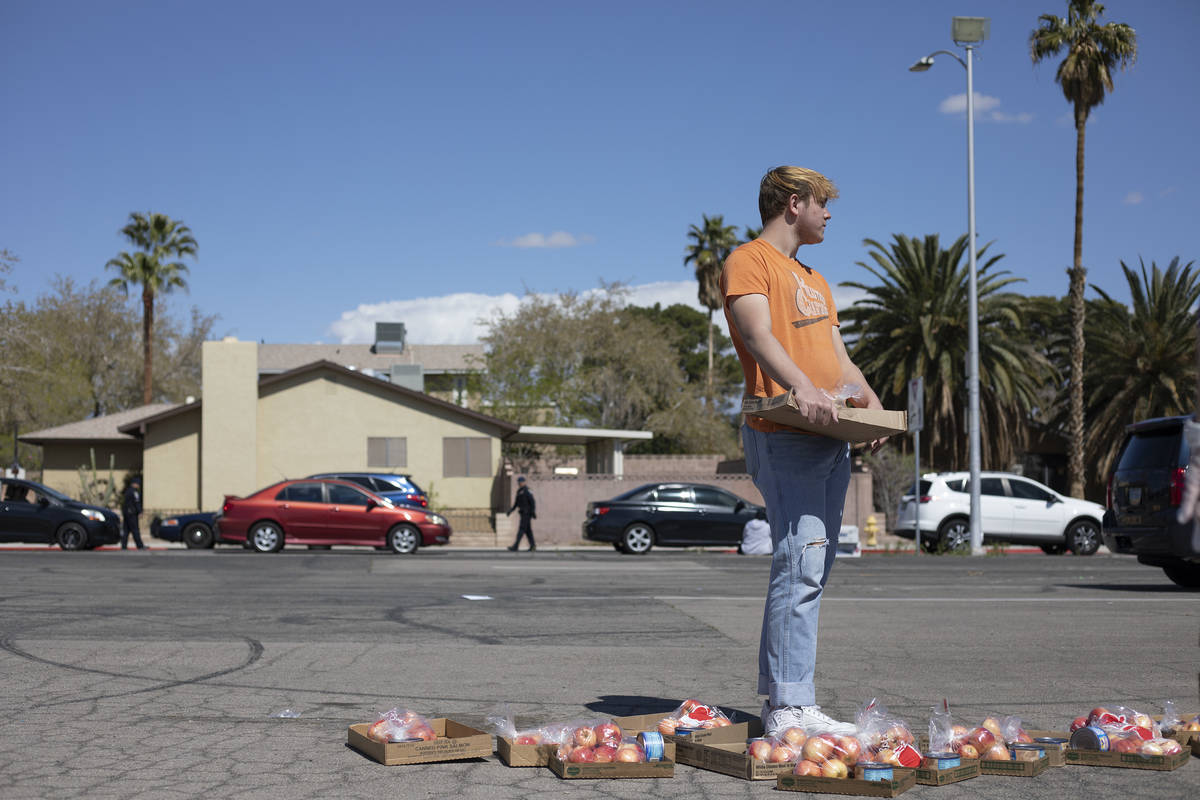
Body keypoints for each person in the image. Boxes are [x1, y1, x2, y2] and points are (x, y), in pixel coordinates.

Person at [721, 165, 887, 737]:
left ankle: (787, 700)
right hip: (784, 430)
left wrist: (869, 401)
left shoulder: (814, 278)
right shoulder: (749, 261)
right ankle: (790, 707)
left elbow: (838, 357)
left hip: (830, 435)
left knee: (813, 566)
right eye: (823, 203)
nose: (829, 213)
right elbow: (758, 336)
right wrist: (802, 389)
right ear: (794, 203)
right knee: (799, 562)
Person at [505, 476, 536, 552]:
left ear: (524, 482)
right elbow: (516, 503)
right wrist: (511, 510)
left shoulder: (527, 490)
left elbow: (532, 502)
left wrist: (533, 512)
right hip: (522, 513)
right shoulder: (519, 491)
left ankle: (515, 546)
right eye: (519, 482)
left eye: (521, 482)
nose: (520, 483)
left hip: (527, 513)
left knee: (521, 529)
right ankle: (533, 546)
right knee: (528, 531)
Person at [121, 476, 146, 550]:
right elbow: (137, 502)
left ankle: (124, 545)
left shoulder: (127, 491)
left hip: (126, 514)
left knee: (126, 530)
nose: (139, 486)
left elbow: (124, 504)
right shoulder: (134, 492)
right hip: (132, 514)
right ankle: (140, 545)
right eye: (138, 484)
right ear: (135, 484)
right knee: (135, 530)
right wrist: (140, 512)